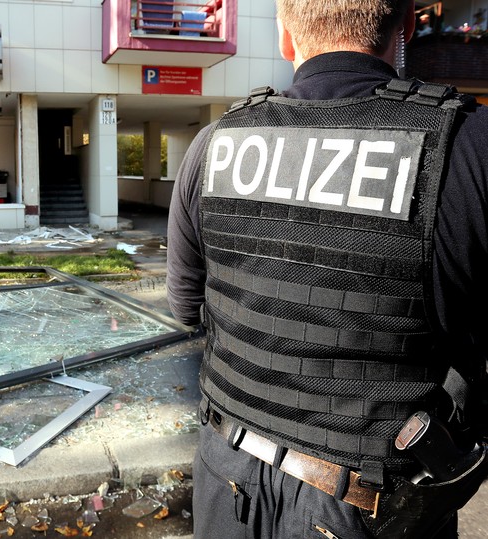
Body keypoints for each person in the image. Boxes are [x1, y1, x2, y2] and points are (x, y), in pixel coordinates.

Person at [165, 1, 488, 538]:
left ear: (284, 34)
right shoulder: (468, 146)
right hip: (372, 508)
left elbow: (184, 307)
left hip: (226, 482)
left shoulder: (213, 145)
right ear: (406, 24)